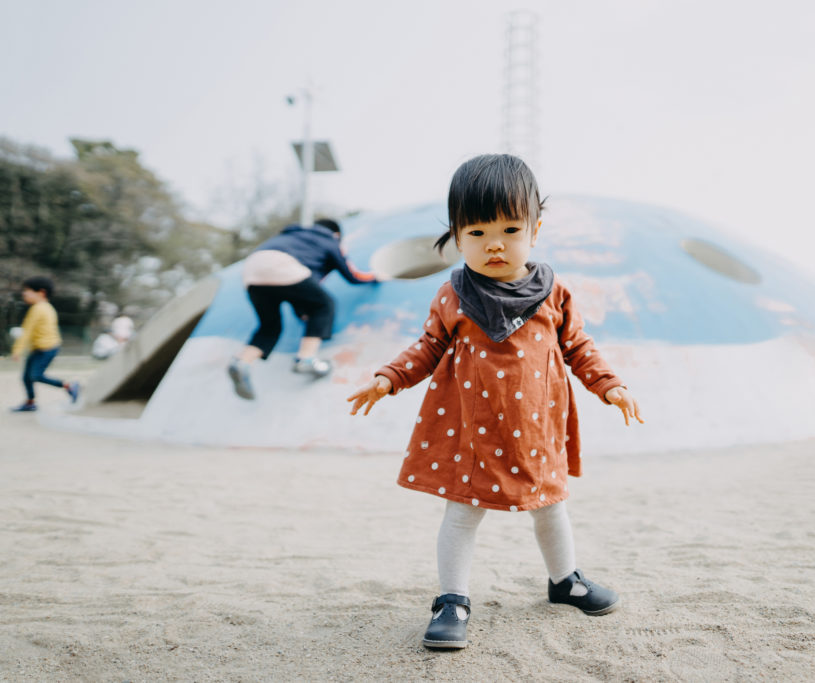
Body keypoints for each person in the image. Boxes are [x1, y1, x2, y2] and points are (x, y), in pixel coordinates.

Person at [346, 154, 643, 650]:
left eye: (509, 229)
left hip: (538, 424)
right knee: (461, 513)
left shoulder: (554, 293)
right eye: (477, 233)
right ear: (457, 236)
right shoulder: (452, 295)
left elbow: (578, 347)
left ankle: (564, 580)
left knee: (550, 507)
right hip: (470, 426)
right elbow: (428, 348)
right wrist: (388, 378)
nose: (495, 244)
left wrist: (610, 385)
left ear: (536, 229)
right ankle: (452, 600)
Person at [227, 217, 377, 400]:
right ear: (337, 234)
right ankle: (306, 359)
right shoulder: (329, 239)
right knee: (324, 305)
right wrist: (375, 276)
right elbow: (351, 275)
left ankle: (241, 362)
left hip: (252, 270)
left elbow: (298, 291)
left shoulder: (292, 236)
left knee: (269, 326)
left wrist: (302, 311)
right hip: (284, 267)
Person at [9, 276, 79, 412]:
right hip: (39, 349)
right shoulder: (47, 308)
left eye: (28, 291)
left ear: (41, 293)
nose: (24, 294)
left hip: (46, 349)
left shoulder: (38, 309)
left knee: (36, 375)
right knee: (26, 377)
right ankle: (30, 402)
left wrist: (17, 349)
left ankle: (69, 386)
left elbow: (27, 331)